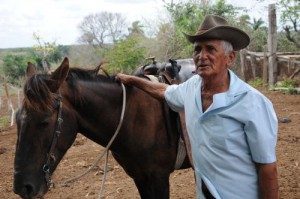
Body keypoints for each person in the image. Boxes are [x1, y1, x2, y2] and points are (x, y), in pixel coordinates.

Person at [117, 15, 278, 199]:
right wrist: (132, 80)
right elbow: (165, 91)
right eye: (197, 50)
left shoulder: (253, 103)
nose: (202, 56)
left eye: (210, 49)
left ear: (230, 58)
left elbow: (267, 168)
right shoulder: (191, 88)